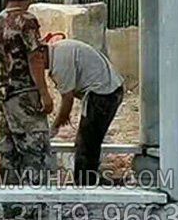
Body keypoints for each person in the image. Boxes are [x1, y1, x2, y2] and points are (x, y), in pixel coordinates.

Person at [0, 0, 54, 189]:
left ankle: (10, 200)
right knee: (35, 152)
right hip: (25, 95)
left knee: (9, 154)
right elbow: (34, 58)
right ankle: (35, 202)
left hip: (5, 96)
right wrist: (44, 93)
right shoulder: (26, 21)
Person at [44, 37, 124, 186]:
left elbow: (67, 100)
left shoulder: (59, 64)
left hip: (103, 94)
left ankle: (84, 185)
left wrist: (55, 127)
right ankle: (87, 180)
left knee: (86, 144)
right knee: (90, 142)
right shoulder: (61, 49)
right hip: (109, 88)